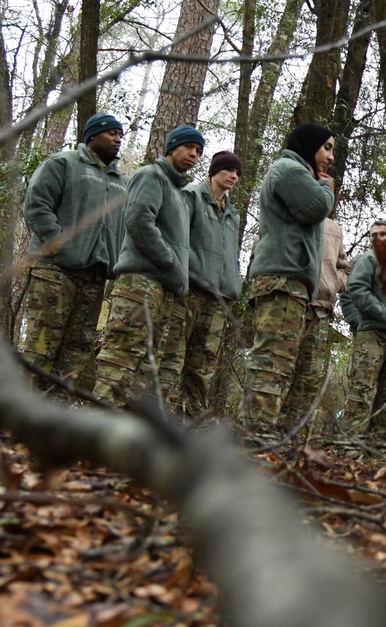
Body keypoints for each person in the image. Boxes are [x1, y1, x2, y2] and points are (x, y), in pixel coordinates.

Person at [93, 124, 204, 408]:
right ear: (172, 147)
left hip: (162, 288)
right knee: (122, 355)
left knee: (146, 366)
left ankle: (124, 438)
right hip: (140, 282)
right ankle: (96, 430)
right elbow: (139, 221)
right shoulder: (151, 176)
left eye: (199, 151)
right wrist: (169, 262)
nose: (194, 154)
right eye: (189, 147)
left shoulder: (179, 192)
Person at [19, 113, 128, 399]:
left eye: (121, 134)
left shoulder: (122, 182)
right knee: (41, 347)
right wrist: (59, 244)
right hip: (54, 273)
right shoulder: (64, 164)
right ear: (92, 135)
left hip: (93, 279)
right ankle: (17, 419)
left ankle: (54, 424)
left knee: (76, 352)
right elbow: (36, 205)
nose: (118, 139)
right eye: (112, 133)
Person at [240, 122, 337, 428]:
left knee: (278, 365)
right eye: (327, 148)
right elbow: (318, 207)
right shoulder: (289, 170)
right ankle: (255, 436)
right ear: (309, 146)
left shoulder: (298, 173)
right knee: (271, 364)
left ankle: (262, 435)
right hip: (281, 279)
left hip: (291, 281)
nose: (331, 158)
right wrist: (325, 185)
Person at [159, 151, 243, 417]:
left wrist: (233, 284)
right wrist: (189, 271)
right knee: (171, 357)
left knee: (202, 366)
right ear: (214, 171)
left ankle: (190, 424)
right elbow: (178, 239)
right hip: (189, 290)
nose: (234, 176)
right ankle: (155, 417)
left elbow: (230, 254)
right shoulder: (191, 196)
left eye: (238, 173)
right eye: (229, 170)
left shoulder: (233, 214)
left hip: (218, 298)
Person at [340, 211, 386, 439]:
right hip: (373, 334)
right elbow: (356, 289)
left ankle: (383, 450)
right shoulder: (372, 257)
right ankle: (349, 446)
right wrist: (385, 316)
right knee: (362, 391)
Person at [282, 216, 351, 427]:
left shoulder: (334, 228)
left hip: (320, 308)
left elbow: (344, 268)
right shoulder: (290, 211)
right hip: (287, 300)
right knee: (276, 366)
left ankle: (289, 432)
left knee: (309, 375)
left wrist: (331, 283)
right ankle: (260, 428)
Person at [340, 220, 386, 335]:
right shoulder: (358, 262)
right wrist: (358, 322)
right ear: (370, 240)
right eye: (374, 235)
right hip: (367, 333)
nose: (378, 238)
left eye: (382, 234)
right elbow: (347, 295)